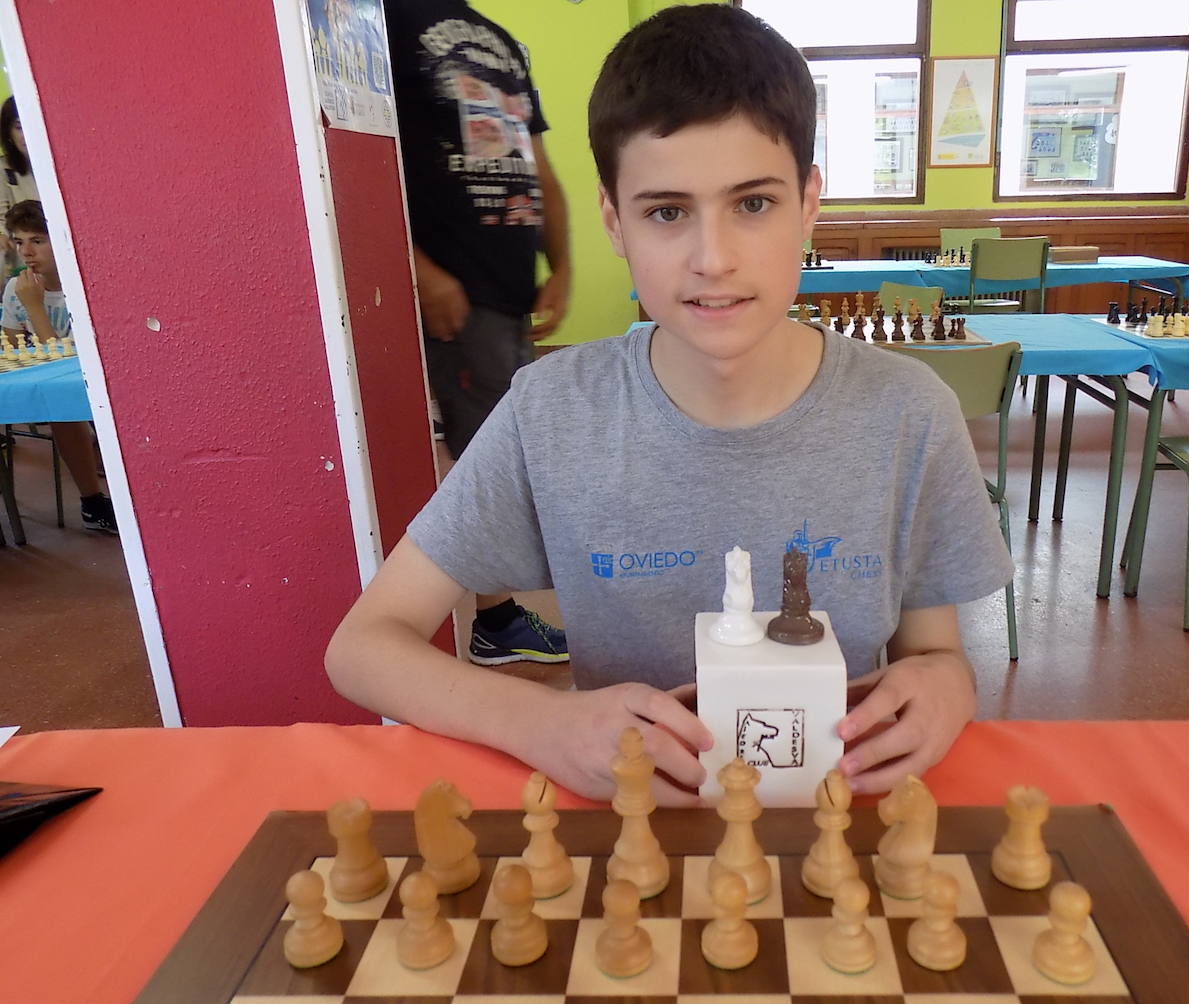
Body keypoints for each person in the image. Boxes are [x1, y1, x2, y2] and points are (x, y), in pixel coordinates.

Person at [327, 5, 1012, 804]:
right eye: (666, 211)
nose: (713, 259)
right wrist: (541, 721)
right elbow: (362, 647)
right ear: (614, 223)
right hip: (636, 835)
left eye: (753, 203)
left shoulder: (909, 413)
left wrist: (948, 686)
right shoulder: (552, 413)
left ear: (809, 202)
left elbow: (937, 652)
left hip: (833, 826)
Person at [385, 1, 573, 665]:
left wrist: (562, 261)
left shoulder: (499, 39)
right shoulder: (385, 18)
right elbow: (359, 151)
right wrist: (416, 267)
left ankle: (497, 614)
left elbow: (534, 161)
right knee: (479, 460)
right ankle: (494, 618)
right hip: (450, 289)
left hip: (506, 287)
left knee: (497, 445)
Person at [1, 200, 117, 533]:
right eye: (19, 241)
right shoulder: (16, 287)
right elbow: (16, 348)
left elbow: (66, 362)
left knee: (63, 411)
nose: (26, 251)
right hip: (47, 390)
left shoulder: (78, 287)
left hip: (92, 385)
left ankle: (94, 501)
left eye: (37, 240)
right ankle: (93, 504)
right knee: (59, 409)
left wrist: (35, 308)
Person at [0, 97, 40, 276]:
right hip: (24, 269)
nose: (27, 134)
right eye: (19, 127)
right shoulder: (4, 170)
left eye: (31, 123)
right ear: (9, 133)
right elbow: (2, 221)